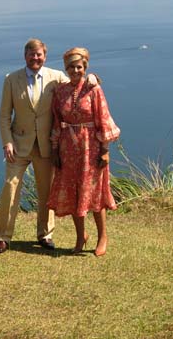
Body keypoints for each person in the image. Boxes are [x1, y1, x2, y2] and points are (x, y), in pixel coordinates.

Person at [0, 38, 96, 254]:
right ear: (25, 56)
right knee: (10, 188)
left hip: (46, 146)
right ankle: (3, 236)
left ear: (45, 57)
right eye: (31, 54)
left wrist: (93, 78)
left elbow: (77, 81)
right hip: (19, 145)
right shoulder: (11, 80)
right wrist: (7, 142)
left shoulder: (56, 78)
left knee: (46, 192)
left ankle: (45, 235)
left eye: (39, 54)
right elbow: (4, 115)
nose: (35, 58)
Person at [48, 47, 120, 257]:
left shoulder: (94, 89)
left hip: (91, 148)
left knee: (95, 194)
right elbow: (56, 121)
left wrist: (105, 150)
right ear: (66, 68)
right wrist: (54, 149)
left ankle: (102, 237)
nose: (75, 70)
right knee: (73, 192)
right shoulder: (60, 91)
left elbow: (103, 118)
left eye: (79, 67)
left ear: (85, 67)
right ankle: (81, 236)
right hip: (68, 148)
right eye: (71, 67)